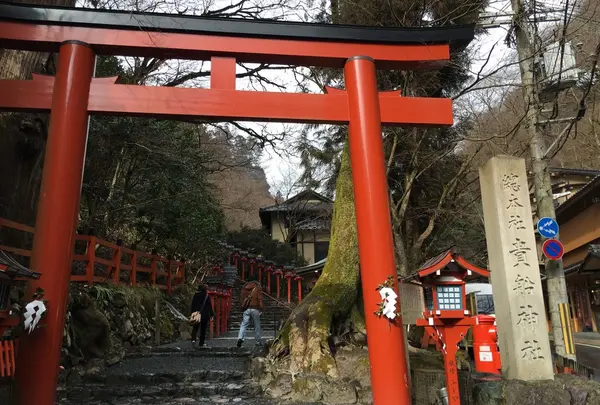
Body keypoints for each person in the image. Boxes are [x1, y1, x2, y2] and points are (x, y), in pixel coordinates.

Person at [237, 276, 263, 347]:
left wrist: (242, 306)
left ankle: (240, 338)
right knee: (257, 326)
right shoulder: (257, 288)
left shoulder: (244, 288)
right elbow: (260, 299)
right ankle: (258, 341)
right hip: (255, 309)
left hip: (246, 309)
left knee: (244, 324)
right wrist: (261, 308)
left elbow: (241, 298)